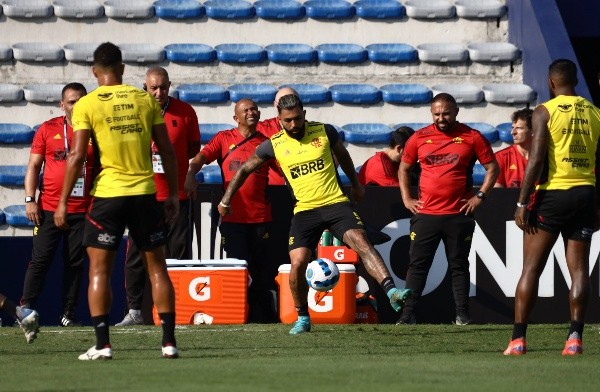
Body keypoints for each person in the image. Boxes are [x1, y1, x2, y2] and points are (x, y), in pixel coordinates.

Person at [216, 94, 412, 334]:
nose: (294, 124)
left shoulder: (325, 132)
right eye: (287, 120)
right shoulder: (273, 144)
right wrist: (226, 199)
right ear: (279, 119)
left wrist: (356, 185)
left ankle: (392, 291)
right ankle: (302, 317)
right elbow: (245, 168)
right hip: (304, 211)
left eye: (298, 119)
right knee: (297, 263)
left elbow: (343, 155)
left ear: (305, 114)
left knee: (361, 242)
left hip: (335, 203)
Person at [54, 42, 179, 360]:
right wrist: (174, 193)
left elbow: (76, 155)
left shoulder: (87, 104)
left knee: (99, 271)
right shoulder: (144, 100)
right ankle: (168, 343)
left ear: (95, 72)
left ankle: (103, 344)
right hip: (144, 194)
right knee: (158, 269)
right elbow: (166, 149)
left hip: (108, 196)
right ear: (123, 69)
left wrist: (62, 202)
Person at [504, 59, 600, 356]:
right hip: (586, 194)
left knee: (531, 268)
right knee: (580, 270)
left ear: (550, 82)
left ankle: (518, 340)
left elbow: (534, 159)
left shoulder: (544, 111)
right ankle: (574, 338)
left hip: (553, 195)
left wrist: (522, 201)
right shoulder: (595, 113)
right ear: (576, 82)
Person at [398, 93, 499, 325]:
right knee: (417, 266)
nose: (441, 118)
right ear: (431, 113)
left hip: (458, 215)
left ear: (456, 112)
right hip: (426, 215)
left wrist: (480, 197)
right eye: (436, 114)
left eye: (446, 113)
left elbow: (492, 168)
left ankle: (462, 314)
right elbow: (403, 169)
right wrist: (407, 198)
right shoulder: (418, 137)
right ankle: (407, 315)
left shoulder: (472, 137)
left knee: (459, 266)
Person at [116, 67, 200, 327]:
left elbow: (193, 148)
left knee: (178, 254)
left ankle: (178, 310)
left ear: (169, 85)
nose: (158, 92)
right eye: (153, 87)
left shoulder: (185, 111)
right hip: (143, 195)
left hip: (176, 197)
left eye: (163, 87)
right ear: (145, 86)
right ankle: (135, 311)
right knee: (136, 257)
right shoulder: (134, 110)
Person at [184, 98, 277, 322]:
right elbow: (199, 159)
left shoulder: (267, 143)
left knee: (261, 271)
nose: (251, 112)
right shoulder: (224, 139)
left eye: (254, 109)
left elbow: (286, 169)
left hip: (261, 218)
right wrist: (190, 176)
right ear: (236, 118)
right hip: (233, 219)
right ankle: (238, 312)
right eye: (245, 110)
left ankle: (262, 315)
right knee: (238, 269)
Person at [21, 82, 91, 327]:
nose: (77, 105)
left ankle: (68, 315)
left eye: (81, 99)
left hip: (83, 210)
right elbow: (33, 166)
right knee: (40, 261)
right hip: (48, 208)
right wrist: (30, 200)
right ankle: (25, 310)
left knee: (75, 264)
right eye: (72, 101)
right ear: (62, 105)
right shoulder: (48, 129)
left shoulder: (97, 131)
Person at [256, 86, 299, 186]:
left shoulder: (310, 129)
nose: (288, 104)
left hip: (303, 189)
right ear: (275, 105)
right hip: (272, 189)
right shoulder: (260, 128)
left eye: (292, 99)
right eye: (283, 101)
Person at [494, 108, 534, 188]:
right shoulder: (501, 157)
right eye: (513, 127)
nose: (513, 132)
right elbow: (496, 194)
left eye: (519, 128)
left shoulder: (548, 157)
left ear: (534, 131)